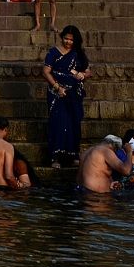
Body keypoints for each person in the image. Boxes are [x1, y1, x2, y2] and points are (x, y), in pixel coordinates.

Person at [44, 25, 90, 168]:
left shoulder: (78, 53)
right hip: (57, 93)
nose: (68, 42)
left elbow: (88, 71)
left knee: (73, 123)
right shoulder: (53, 52)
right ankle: (55, 157)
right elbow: (46, 72)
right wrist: (57, 87)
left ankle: (72, 155)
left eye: (71, 40)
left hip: (74, 95)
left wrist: (83, 74)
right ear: (62, 37)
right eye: (66, 38)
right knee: (58, 123)